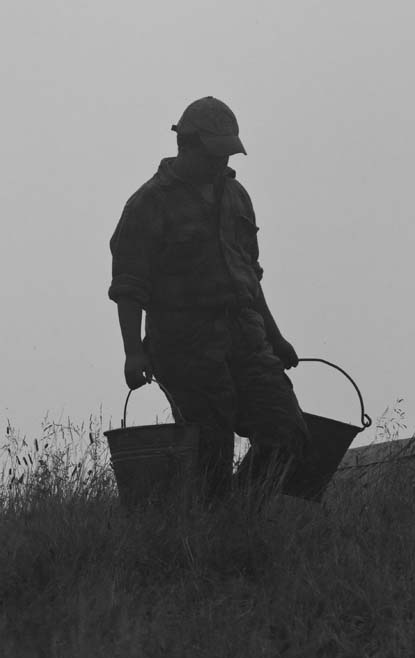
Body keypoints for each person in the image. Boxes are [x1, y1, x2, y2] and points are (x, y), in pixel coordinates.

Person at [108, 96, 308, 499]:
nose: (223, 162)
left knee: (288, 434)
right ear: (187, 144)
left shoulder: (237, 197)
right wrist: (133, 352)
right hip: (185, 345)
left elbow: (249, 275)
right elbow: (128, 287)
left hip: (246, 336)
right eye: (215, 154)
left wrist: (275, 337)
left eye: (227, 153)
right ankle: (216, 523)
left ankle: (241, 517)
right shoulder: (149, 203)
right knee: (210, 453)